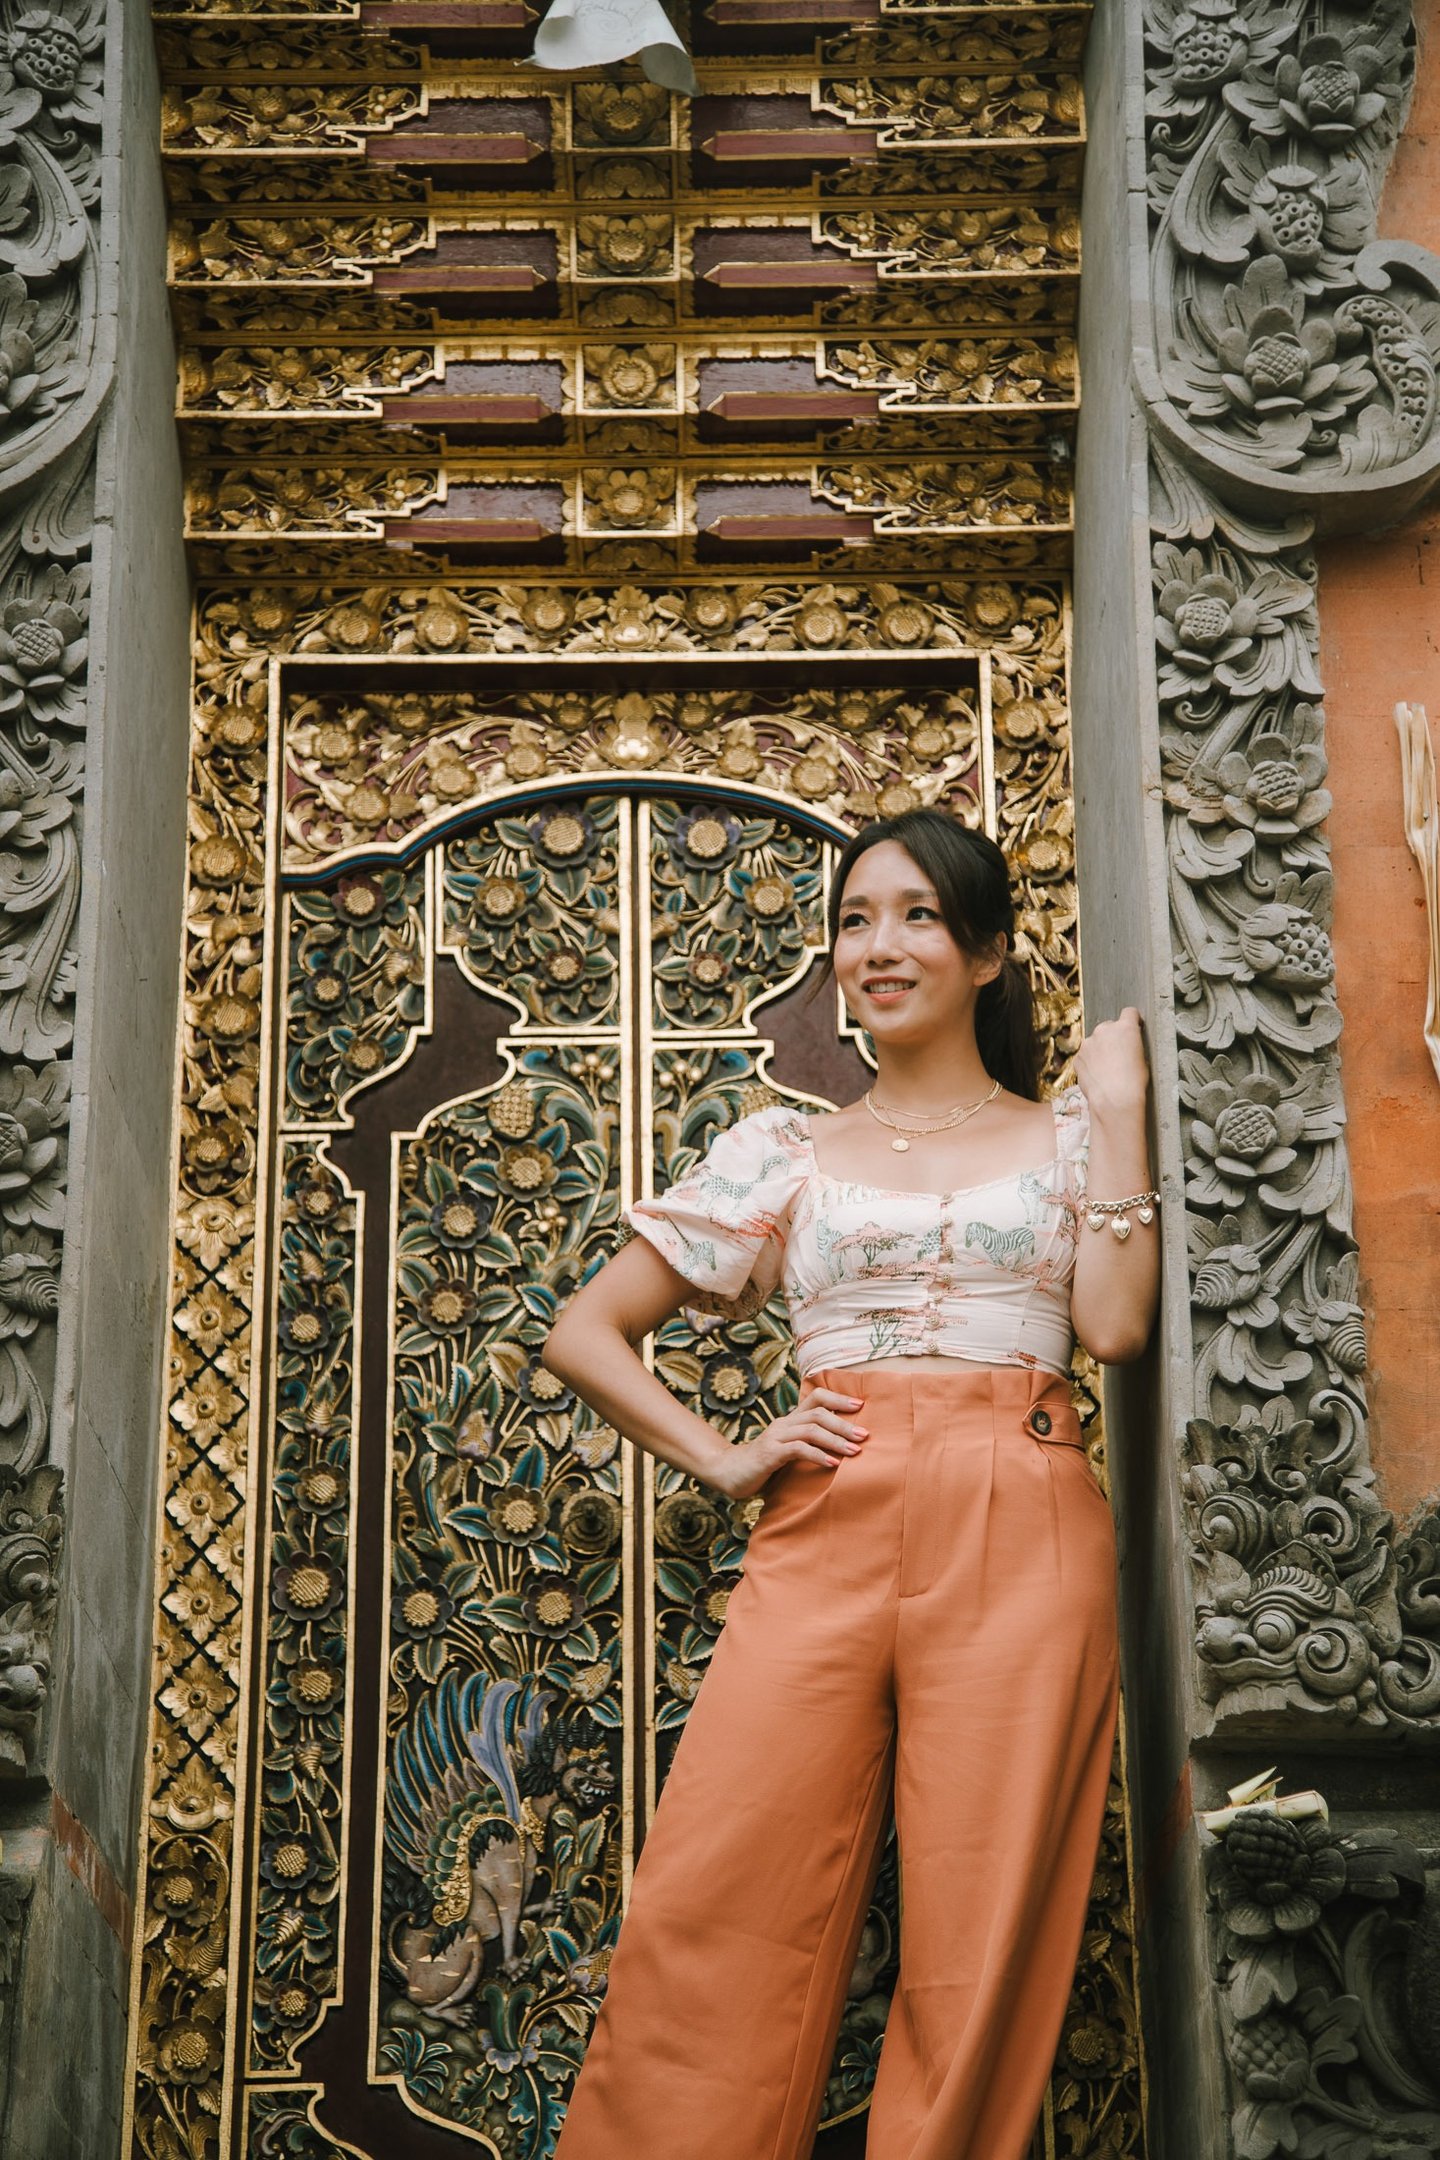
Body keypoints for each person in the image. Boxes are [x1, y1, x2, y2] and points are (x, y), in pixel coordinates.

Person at [541, 806, 1159, 2160]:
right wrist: (724, 1455)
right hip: (829, 1510)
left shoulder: (1065, 1142)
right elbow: (584, 1332)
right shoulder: (787, 1153)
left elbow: (1112, 1329)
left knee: (978, 1921)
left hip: (1026, 1503)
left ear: (988, 951)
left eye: (919, 917)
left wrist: (1114, 1119)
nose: (878, 946)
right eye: (855, 919)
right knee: (722, 1890)